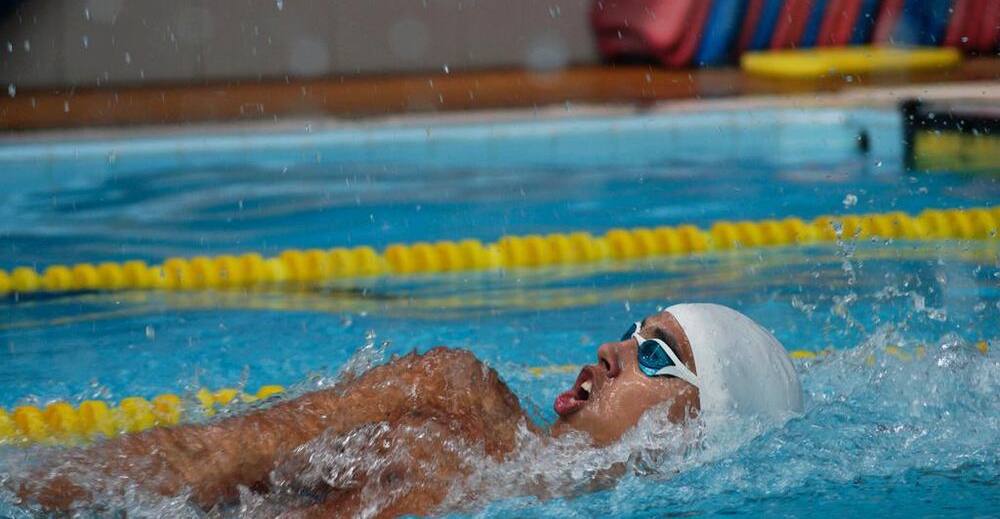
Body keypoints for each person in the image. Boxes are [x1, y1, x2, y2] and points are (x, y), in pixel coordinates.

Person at [11, 303, 802, 517]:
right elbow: (198, 462)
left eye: (656, 356)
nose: (612, 350)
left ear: (699, 431)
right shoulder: (455, 400)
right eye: (632, 332)